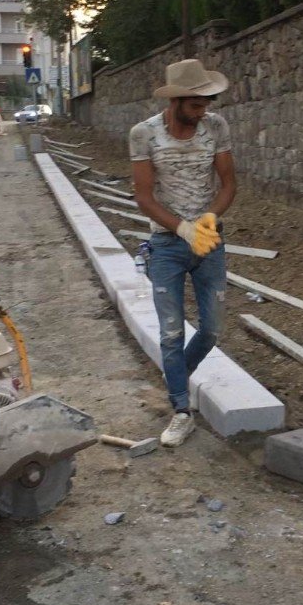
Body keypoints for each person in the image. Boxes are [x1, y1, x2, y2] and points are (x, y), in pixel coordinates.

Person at [130, 59, 236, 448]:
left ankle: (174, 378)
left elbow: (228, 183)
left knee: (211, 329)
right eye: (195, 105)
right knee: (172, 333)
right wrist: (182, 228)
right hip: (167, 246)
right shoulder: (144, 135)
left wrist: (209, 218)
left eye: (206, 103)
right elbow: (143, 197)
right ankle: (180, 410)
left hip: (209, 240)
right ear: (175, 102)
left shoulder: (216, 127)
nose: (202, 111)